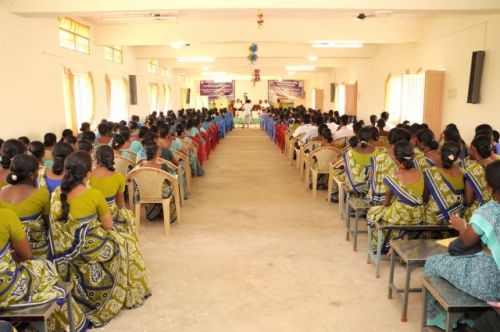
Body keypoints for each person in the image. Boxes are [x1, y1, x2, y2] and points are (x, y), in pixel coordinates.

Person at [48, 151, 150, 327]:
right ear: (87, 173)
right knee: (127, 242)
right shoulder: (94, 195)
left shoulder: (57, 194)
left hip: (65, 252)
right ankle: (127, 292)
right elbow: (108, 226)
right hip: (92, 248)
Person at [423, 160, 500, 331]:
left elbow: (465, 243)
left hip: (488, 281)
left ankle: (442, 322)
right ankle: (473, 320)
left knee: (433, 263)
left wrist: (461, 227)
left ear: (490, 189)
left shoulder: (489, 211)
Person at [0, 208, 88, 331]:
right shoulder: (6, 215)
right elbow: (27, 255)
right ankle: (70, 325)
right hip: (6, 292)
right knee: (45, 268)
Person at [367, 141, 425, 252]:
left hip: (400, 215)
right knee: (397, 217)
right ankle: (402, 238)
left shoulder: (393, 176)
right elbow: (423, 196)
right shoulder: (420, 173)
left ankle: (384, 246)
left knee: (373, 213)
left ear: (396, 159)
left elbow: (386, 202)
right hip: (418, 215)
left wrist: (381, 208)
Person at [0, 154, 50, 258]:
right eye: (38, 170)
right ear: (32, 175)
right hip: (36, 249)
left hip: (11, 251)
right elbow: (47, 223)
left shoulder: (1, 192)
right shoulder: (42, 194)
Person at [135, 141, 178, 222]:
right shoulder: (162, 167)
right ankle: (168, 215)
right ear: (156, 153)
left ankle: (153, 212)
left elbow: (135, 182)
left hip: (144, 193)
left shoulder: (138, 167)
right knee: (170, 188)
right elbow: (169, 180)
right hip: (160, 194)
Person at [423, 141, 465, 225]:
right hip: (455, 219)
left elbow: (424, 198)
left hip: (434, 219)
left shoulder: (431, 172)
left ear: (440, 153)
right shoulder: (464, 172)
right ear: (456, 157)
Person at [367, 128, 411, 204]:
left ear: (389, 140)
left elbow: (372, 178)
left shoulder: (380, 157)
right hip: (401, 197)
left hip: (379, 197)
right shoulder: (407, 158)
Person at [464, 135, 496, 219]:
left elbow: (468, 201)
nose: (468, 152)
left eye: (470, 149)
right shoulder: (496, 166)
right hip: (494, 212)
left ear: (474, 149)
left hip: (477, 216)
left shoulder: (471, 170)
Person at [343, 127, 381, 194]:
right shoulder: (378, 152)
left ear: (358, 138)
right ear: (371, 138)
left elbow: (348, 170)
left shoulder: (350, 152)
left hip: (354, 186)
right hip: (372, 185)